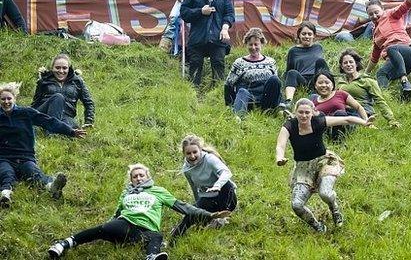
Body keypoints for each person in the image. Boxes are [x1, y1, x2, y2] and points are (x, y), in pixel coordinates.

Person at [47, 163, 227, 260]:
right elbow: (117, 213)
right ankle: (65, 243)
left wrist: (209, 215)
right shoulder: (125, 193)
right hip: (124, 225)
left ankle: (152, 256)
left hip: (144, 231)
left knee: (156, 236)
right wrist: (109, 223)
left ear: (148, 177)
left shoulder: (159, 191)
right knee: (104, 228)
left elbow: (183, 207)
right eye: (135, 176)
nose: (139, 178)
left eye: (142, 175)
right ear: (131, 180)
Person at [275, 98, 374, 232]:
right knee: (297, 205)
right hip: (303, 168)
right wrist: (279, 158)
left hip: (324, 162)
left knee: (325, 193)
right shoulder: (289, 126)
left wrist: (364, 122)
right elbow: (280, 145)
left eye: (307, 113)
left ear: (313, 113)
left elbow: (347, 119)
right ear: (295, 113)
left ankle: (335, 210)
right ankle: (317, 226)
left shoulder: (319, 121)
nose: (304, 116)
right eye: (300, 112)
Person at [0, 82, 85, 208]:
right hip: (4, 157)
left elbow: (49, 122)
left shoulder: (26, 113)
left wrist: (70, 131)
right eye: (3, 99)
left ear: (14, 99)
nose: (6, 101)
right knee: (6, 173)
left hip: (25, 157)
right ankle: (5, 195)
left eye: (9, 98)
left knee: (33, 172)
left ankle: (52, 187)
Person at [170, 134, 237, 241]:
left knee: (227, 184)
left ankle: (222, 217)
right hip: (208, 198)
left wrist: (217, 185)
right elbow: (193, 187)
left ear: (200, 150)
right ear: (184, 154)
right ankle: (175, 237)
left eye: (195, 152)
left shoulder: (210, 159)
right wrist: (197, 205)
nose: (192, 156)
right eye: (188, 153)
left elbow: (226, 172)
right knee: (192, 212)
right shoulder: (186, 169)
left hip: (225, 197)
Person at [365, 0, 411, 96]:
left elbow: (406, 5)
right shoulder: (375, 35)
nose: (374, 16)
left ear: (382, 9)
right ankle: (385, 97)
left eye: (376, 12)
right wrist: (365, 74)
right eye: (371, 14)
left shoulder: (391, 14)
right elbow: (374, 58)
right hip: (396, 61)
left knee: (391, 48)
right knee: (381, 73)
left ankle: (404, 80)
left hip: (409, 52)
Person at [180, 0, 234, 86]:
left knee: (218, 64)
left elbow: (229, 13)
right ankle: (194, 96)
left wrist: (225, 28)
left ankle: (218, 96)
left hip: (217, 36)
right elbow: (184, 12)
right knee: (195, 65)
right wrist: (200, 11)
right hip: (197, 36)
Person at [224, 28, 281, 117]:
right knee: (242, 91)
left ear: (262, 44)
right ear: (246, 45)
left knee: (275, 80)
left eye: (256, 44)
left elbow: (276, 87)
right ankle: (238, 118)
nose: (253, 47)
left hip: (265, 98)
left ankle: (273, 111)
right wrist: (229, 104)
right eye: (250, 44)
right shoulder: (240, 63)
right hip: (248, 98)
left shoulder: (270, 62)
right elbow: (228, 84)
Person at [336, 49, 400, 127]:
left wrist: (391, 120)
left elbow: (379, 100)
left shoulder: (367, 80)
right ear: (342, 67)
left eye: (351, 62)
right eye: (345, 63)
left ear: (356, 64)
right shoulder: (340, 82)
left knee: (348, 125)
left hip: (362, 112)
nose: (348, 65)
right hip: (343, 111)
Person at [32, 54, 94, 129]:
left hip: (66, 116)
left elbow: (88, 102)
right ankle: (51, 132)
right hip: (45, 114)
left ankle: (55, 129)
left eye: (64, 68)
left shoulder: (77, 81)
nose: (61, 71)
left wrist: (89, 121)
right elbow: (35, 102)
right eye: (57, 68)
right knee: (58, 97)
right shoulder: (44, 80)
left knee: (72, 126)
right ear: (52, 68)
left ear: (69, 69)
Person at [279, 21, 329, 110]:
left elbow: (323, 68)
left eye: (309, 34)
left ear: (314, 36)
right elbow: (289, 70)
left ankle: (327, 93)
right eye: (304, 34)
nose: (306, 36)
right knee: (292, 72)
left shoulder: (318, 47)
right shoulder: (293, 51)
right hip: (303, 80)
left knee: (321, 61)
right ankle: (289, 102)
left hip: (317, 79)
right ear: (299, 35)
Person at [311, 70, 368, 140]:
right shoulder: (313, 100)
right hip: (324, 130)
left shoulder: (340, 94)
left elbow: (358, 107)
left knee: (340, 113)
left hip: (342, 125)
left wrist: (367, 121)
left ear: (332, 85)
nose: (323, 85)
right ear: (315, 86)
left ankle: (338, 140)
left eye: (327, 82)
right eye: (320, 83)